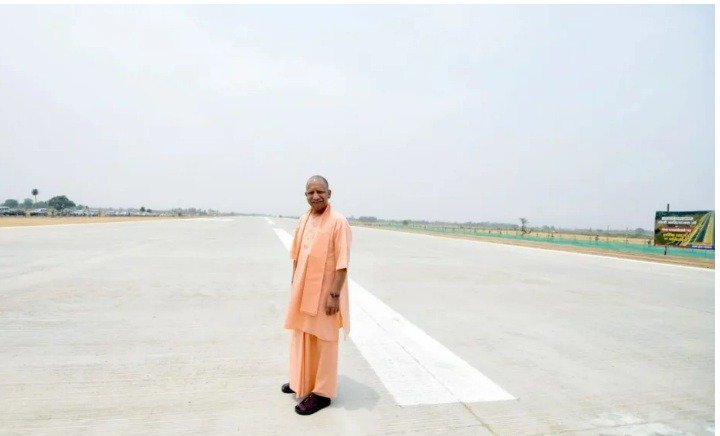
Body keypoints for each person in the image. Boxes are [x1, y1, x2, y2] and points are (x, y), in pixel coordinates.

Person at [282, 175, 352, 415]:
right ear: (305, 195)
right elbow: (296, 256)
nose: (315, 196)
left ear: (329, 193)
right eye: (310, 192)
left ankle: (322, 393)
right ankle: (301, 380)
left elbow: (342, 263)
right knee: (302, 334)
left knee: (324, 341)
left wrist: (334, 295)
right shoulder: (304, 219)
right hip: (303, 290)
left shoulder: (338, 222)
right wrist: (294, 284)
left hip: (325, 294)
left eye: (320, 191)